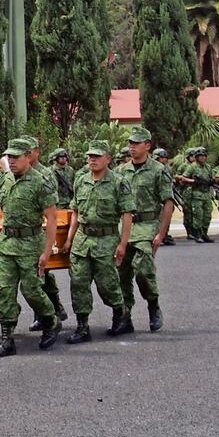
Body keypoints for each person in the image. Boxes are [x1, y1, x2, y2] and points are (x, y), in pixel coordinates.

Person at [0, 139, 62, 358]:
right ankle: (7, 338)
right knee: (3, 290)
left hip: (30, 245)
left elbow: (51, 219)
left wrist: (46, 252)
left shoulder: (40, 182)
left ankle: (50, 320)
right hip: (6, 244)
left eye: (16, 157)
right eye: (9, 157)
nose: (11, 161)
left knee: (31, 290)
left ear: (28, 157)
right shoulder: (6, 180)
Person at [61, 141, 136, 344]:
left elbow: (127, 214)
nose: (92, 159)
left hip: (106, 239)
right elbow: (75, 211)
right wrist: (69, 239)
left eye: (97, 156)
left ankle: (121, 314)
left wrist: (122, 244)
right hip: (82, 240)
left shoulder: (118, 182)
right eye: (90, 156)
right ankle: (82, 327)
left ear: (108, 159)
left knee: (107, 285)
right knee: (78, 284)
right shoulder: (81, 180)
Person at [117, 127, 175, 332]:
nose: (131, 147)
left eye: (136, 143)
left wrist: (161, 233)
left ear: (147, 145)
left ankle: (153, 305)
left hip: (147, 225)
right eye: (130, 144)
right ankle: (125, 316)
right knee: (121, 274)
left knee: (143, 271)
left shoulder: (159, 170)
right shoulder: (121, 171)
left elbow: (168, 202)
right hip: (124, 227)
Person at [20, 136, 68, 330]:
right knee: (40, 275)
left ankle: (49, 310)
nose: (27, 154)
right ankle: (53, 308)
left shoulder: (45, 174)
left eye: (29, 151)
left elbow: (50, 207)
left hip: (41, 228)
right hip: (25, 230)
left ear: (36, 152)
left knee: (41, 274)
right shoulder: (16, 173)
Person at [178, 147, 215, 243]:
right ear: (197, 157)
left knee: (207, 215)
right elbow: (183, 178)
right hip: (196, 195)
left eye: (204, 156)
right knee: (198, 215)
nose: (203, 158)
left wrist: (212, 181)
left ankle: (204, 233)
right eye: (200, 156)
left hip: (207, 194)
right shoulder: (192, 167)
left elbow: (212, 178)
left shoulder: (208, 167)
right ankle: (197, 234)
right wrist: (194, 181)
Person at [153, 148, 177, 246]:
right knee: (157, 217)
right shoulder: (152, 168)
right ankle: (155, 236)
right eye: (160, 158)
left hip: (166, 194)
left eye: (164, 158)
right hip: (155, 197)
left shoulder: (168, 169)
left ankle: (164, 235)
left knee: (167, 215)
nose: (163, 160)